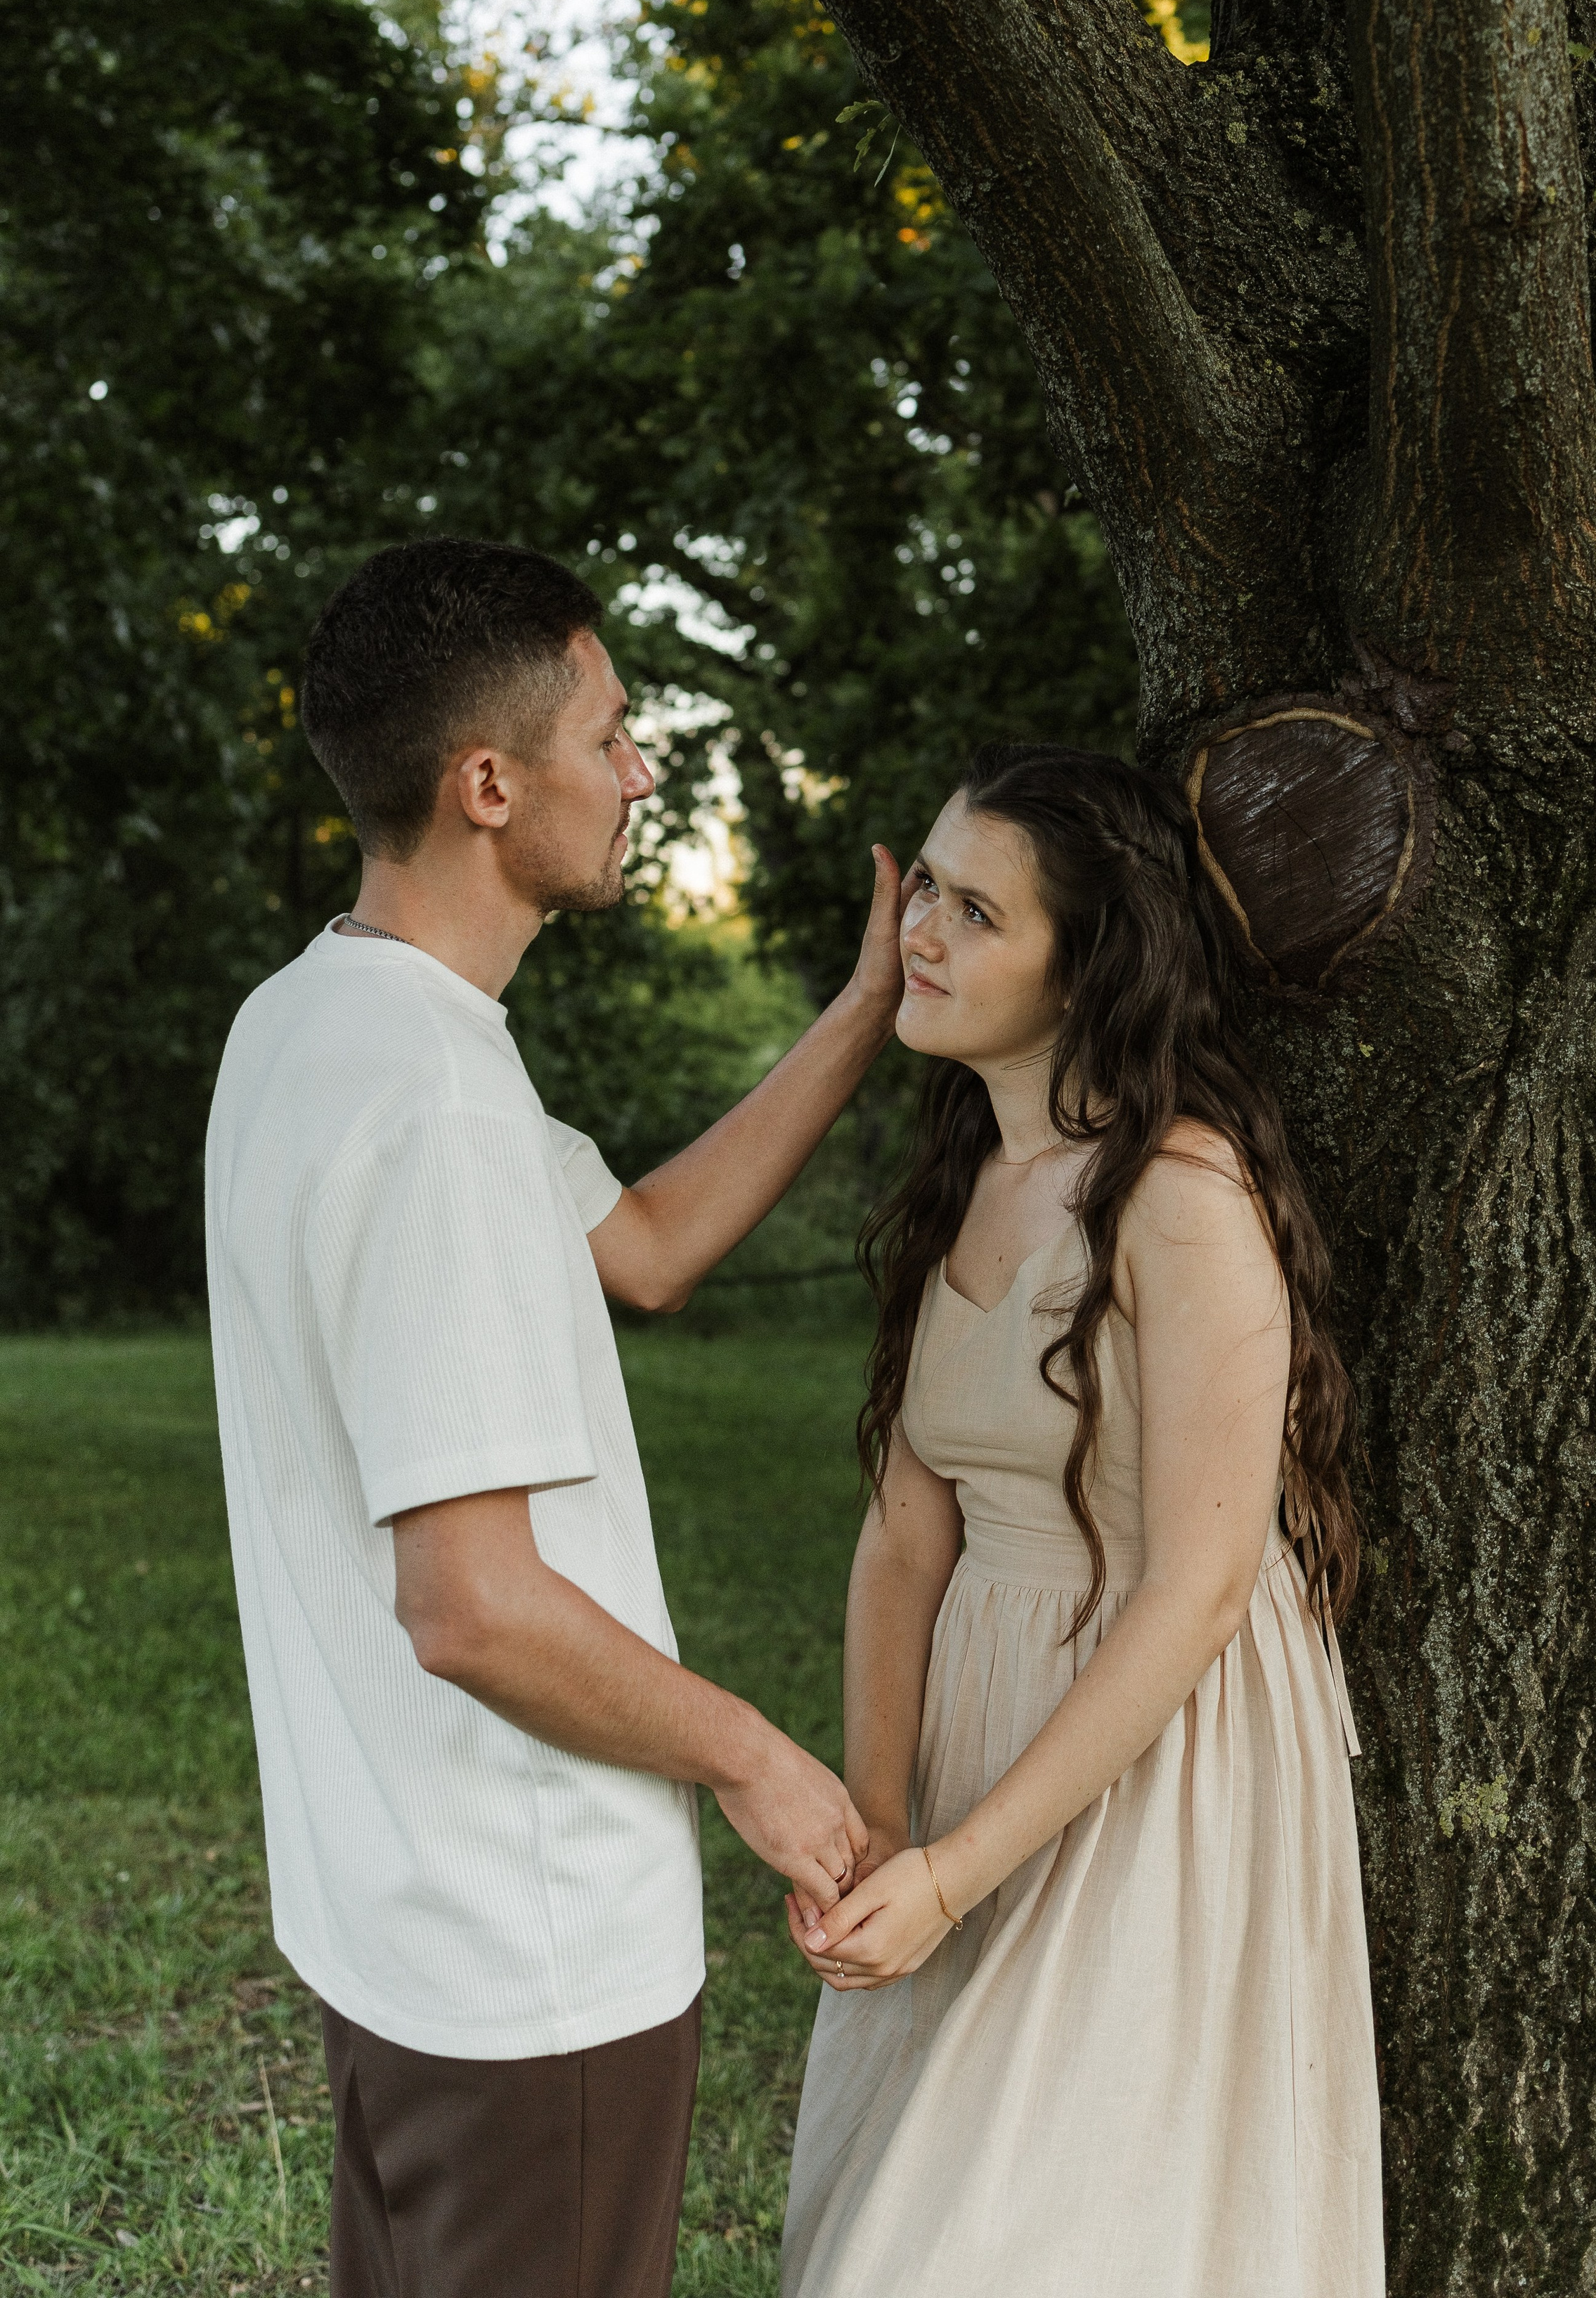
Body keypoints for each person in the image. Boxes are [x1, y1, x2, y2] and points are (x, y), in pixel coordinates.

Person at [205, 537, 906, 2298]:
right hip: (523, 1962)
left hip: (393, 1931)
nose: (639, 767)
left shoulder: (315, 1022)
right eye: (612, 730)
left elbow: (648, 1245)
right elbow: (474, 1604)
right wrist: (759, 1759)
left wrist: (863, 1010)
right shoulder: (428, 1092)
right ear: (489, 782)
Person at [779, 744, 1384, 2298]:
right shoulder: (967, 1174)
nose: (918, 928)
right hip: (973, 1726)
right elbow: (904, 1536)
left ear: (1084, 964)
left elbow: (1198, 1584)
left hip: (1153, 1745)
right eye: (924, 885)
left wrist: (961, 1867)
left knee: (1011, 2244)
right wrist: (878, 1829)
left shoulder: (1179, 1192)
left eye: (975, 910)